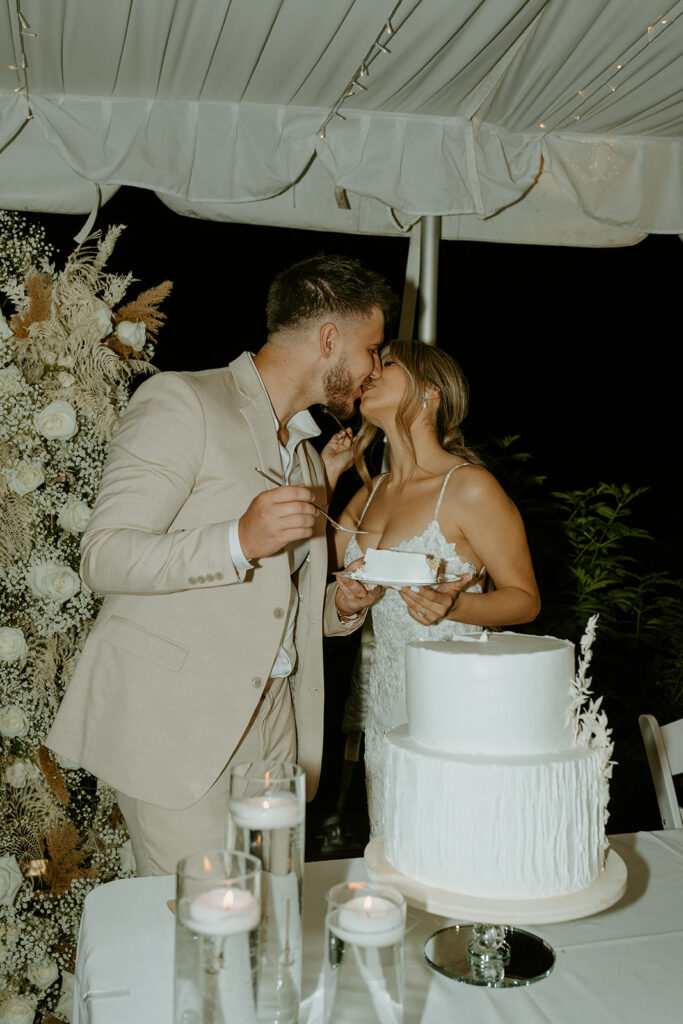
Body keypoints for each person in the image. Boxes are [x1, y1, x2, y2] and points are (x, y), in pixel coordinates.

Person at [46, 255, 396, 875]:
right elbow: (104, 555)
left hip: (277, 724)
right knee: (207, 936)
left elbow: (273, 605)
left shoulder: (309, 456)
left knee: (275, 918)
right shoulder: (184, 400)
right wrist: (236, 539)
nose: (373, 367)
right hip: (181, 723)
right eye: (373, 347)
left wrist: (339, 606)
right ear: (328, 338)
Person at [326, 340, 541, 837]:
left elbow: (525, 600)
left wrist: (456, 605)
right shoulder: (372, 491)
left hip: (453, 696)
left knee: (454, 834)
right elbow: (318, 562)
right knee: (395, 835)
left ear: (430, 392)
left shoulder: (469, 486)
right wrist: (329, 473)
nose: (371, 371)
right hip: (386, 702)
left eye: (388, 363)